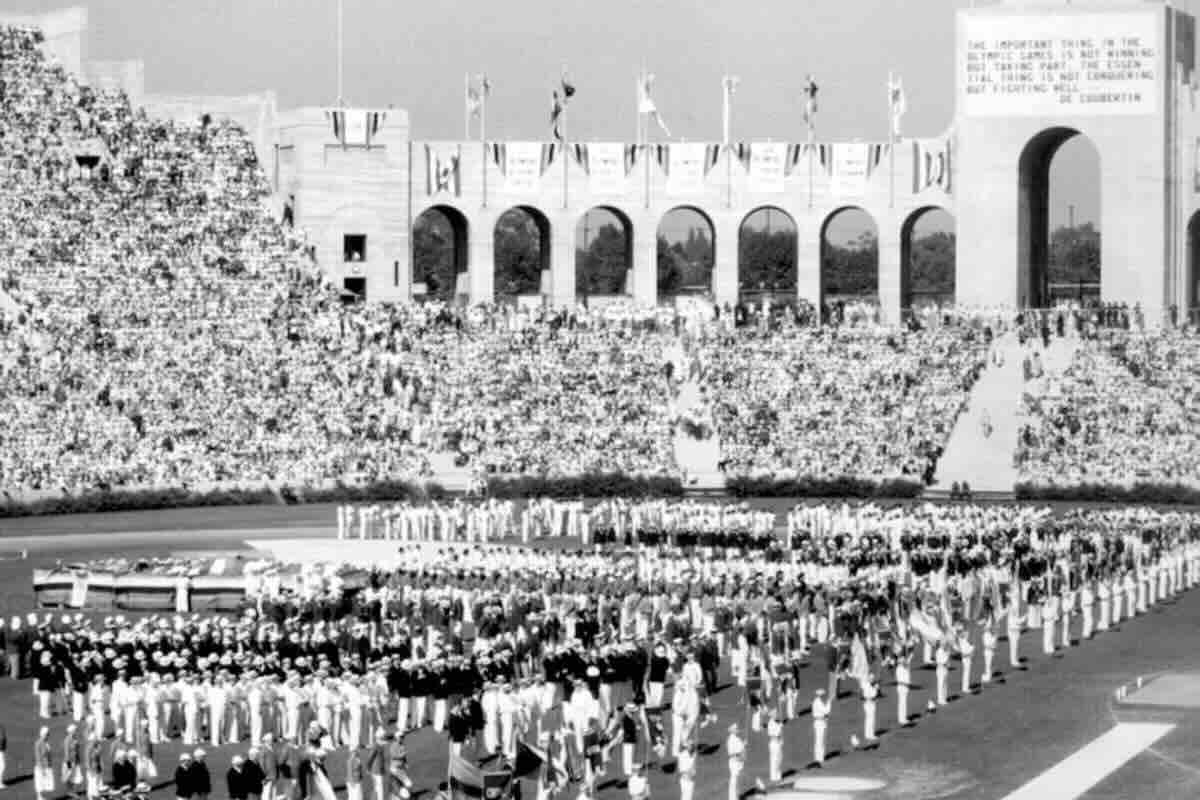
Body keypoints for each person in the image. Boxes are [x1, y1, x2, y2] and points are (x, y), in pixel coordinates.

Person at [811, 687, 831, 766]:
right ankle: (818, 758)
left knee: (821, 740)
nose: (824, 696)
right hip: (819, 722)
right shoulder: (818, 702)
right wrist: (829, 703)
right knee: (819, 740)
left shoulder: (819, 702)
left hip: (821, 722)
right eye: (823, 695)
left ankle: (820, 757)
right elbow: (826, 711)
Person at [34, 727, 54, 800]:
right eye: (47, 734)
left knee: (45, 782)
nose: (48, 736)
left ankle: (41, 797)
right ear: (43, 734)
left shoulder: (46, 743)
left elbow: (49, 754)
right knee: (40, 782)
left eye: (48, 734)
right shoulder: (38, 743)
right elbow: (38, 757)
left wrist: (50, 764)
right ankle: (39, 797)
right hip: (41, 766)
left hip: (47, 765)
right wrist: (41, 768)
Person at [725, 723, 744, 800]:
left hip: (739, 761)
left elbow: (741, 747)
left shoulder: (737, 738)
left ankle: (736, 796)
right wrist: (738, 755)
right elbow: (731, 753)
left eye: (737, 729)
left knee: (738, 779)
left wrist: (744, 744)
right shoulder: (731, 739)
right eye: (736, 729)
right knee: (734, 779)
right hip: (734, 761)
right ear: (732, 731)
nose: (737, 730)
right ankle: (732, 798)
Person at [765, 709, 783, 783]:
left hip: (777, 743)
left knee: (779, 759)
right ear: (772, 716)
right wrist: (780, 727)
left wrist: (779, 726)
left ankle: (778, 776)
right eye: (775, 714)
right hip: (774, 743)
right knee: (774, 760)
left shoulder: (776, 722)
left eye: (776, 714)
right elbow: (774, 734)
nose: (776, 715)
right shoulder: (771, 723)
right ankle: (774, 777)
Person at [861, 674, 879, 742]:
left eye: (873, 679)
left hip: (870, 704)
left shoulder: (870, 685)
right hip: (869, 704)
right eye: (871, 679)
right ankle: (870, 734)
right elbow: (871, 696)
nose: (872, 680)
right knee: (870, 719)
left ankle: (868, 734)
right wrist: (875, 689)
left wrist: (876, 688)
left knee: (869, 719)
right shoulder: (868, 686)